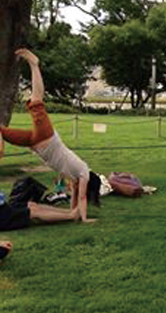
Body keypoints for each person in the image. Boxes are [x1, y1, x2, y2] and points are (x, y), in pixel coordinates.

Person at [0, 49, 100, 223]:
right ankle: (34, 64)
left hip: (35, 142)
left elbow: (76, 200)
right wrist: (85, 219)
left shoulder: (76, 177)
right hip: (46, 138)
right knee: (36, 102)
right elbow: (82, 198)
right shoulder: (84, 172)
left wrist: (75, 214)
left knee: (2, 132)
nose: (76, 189)